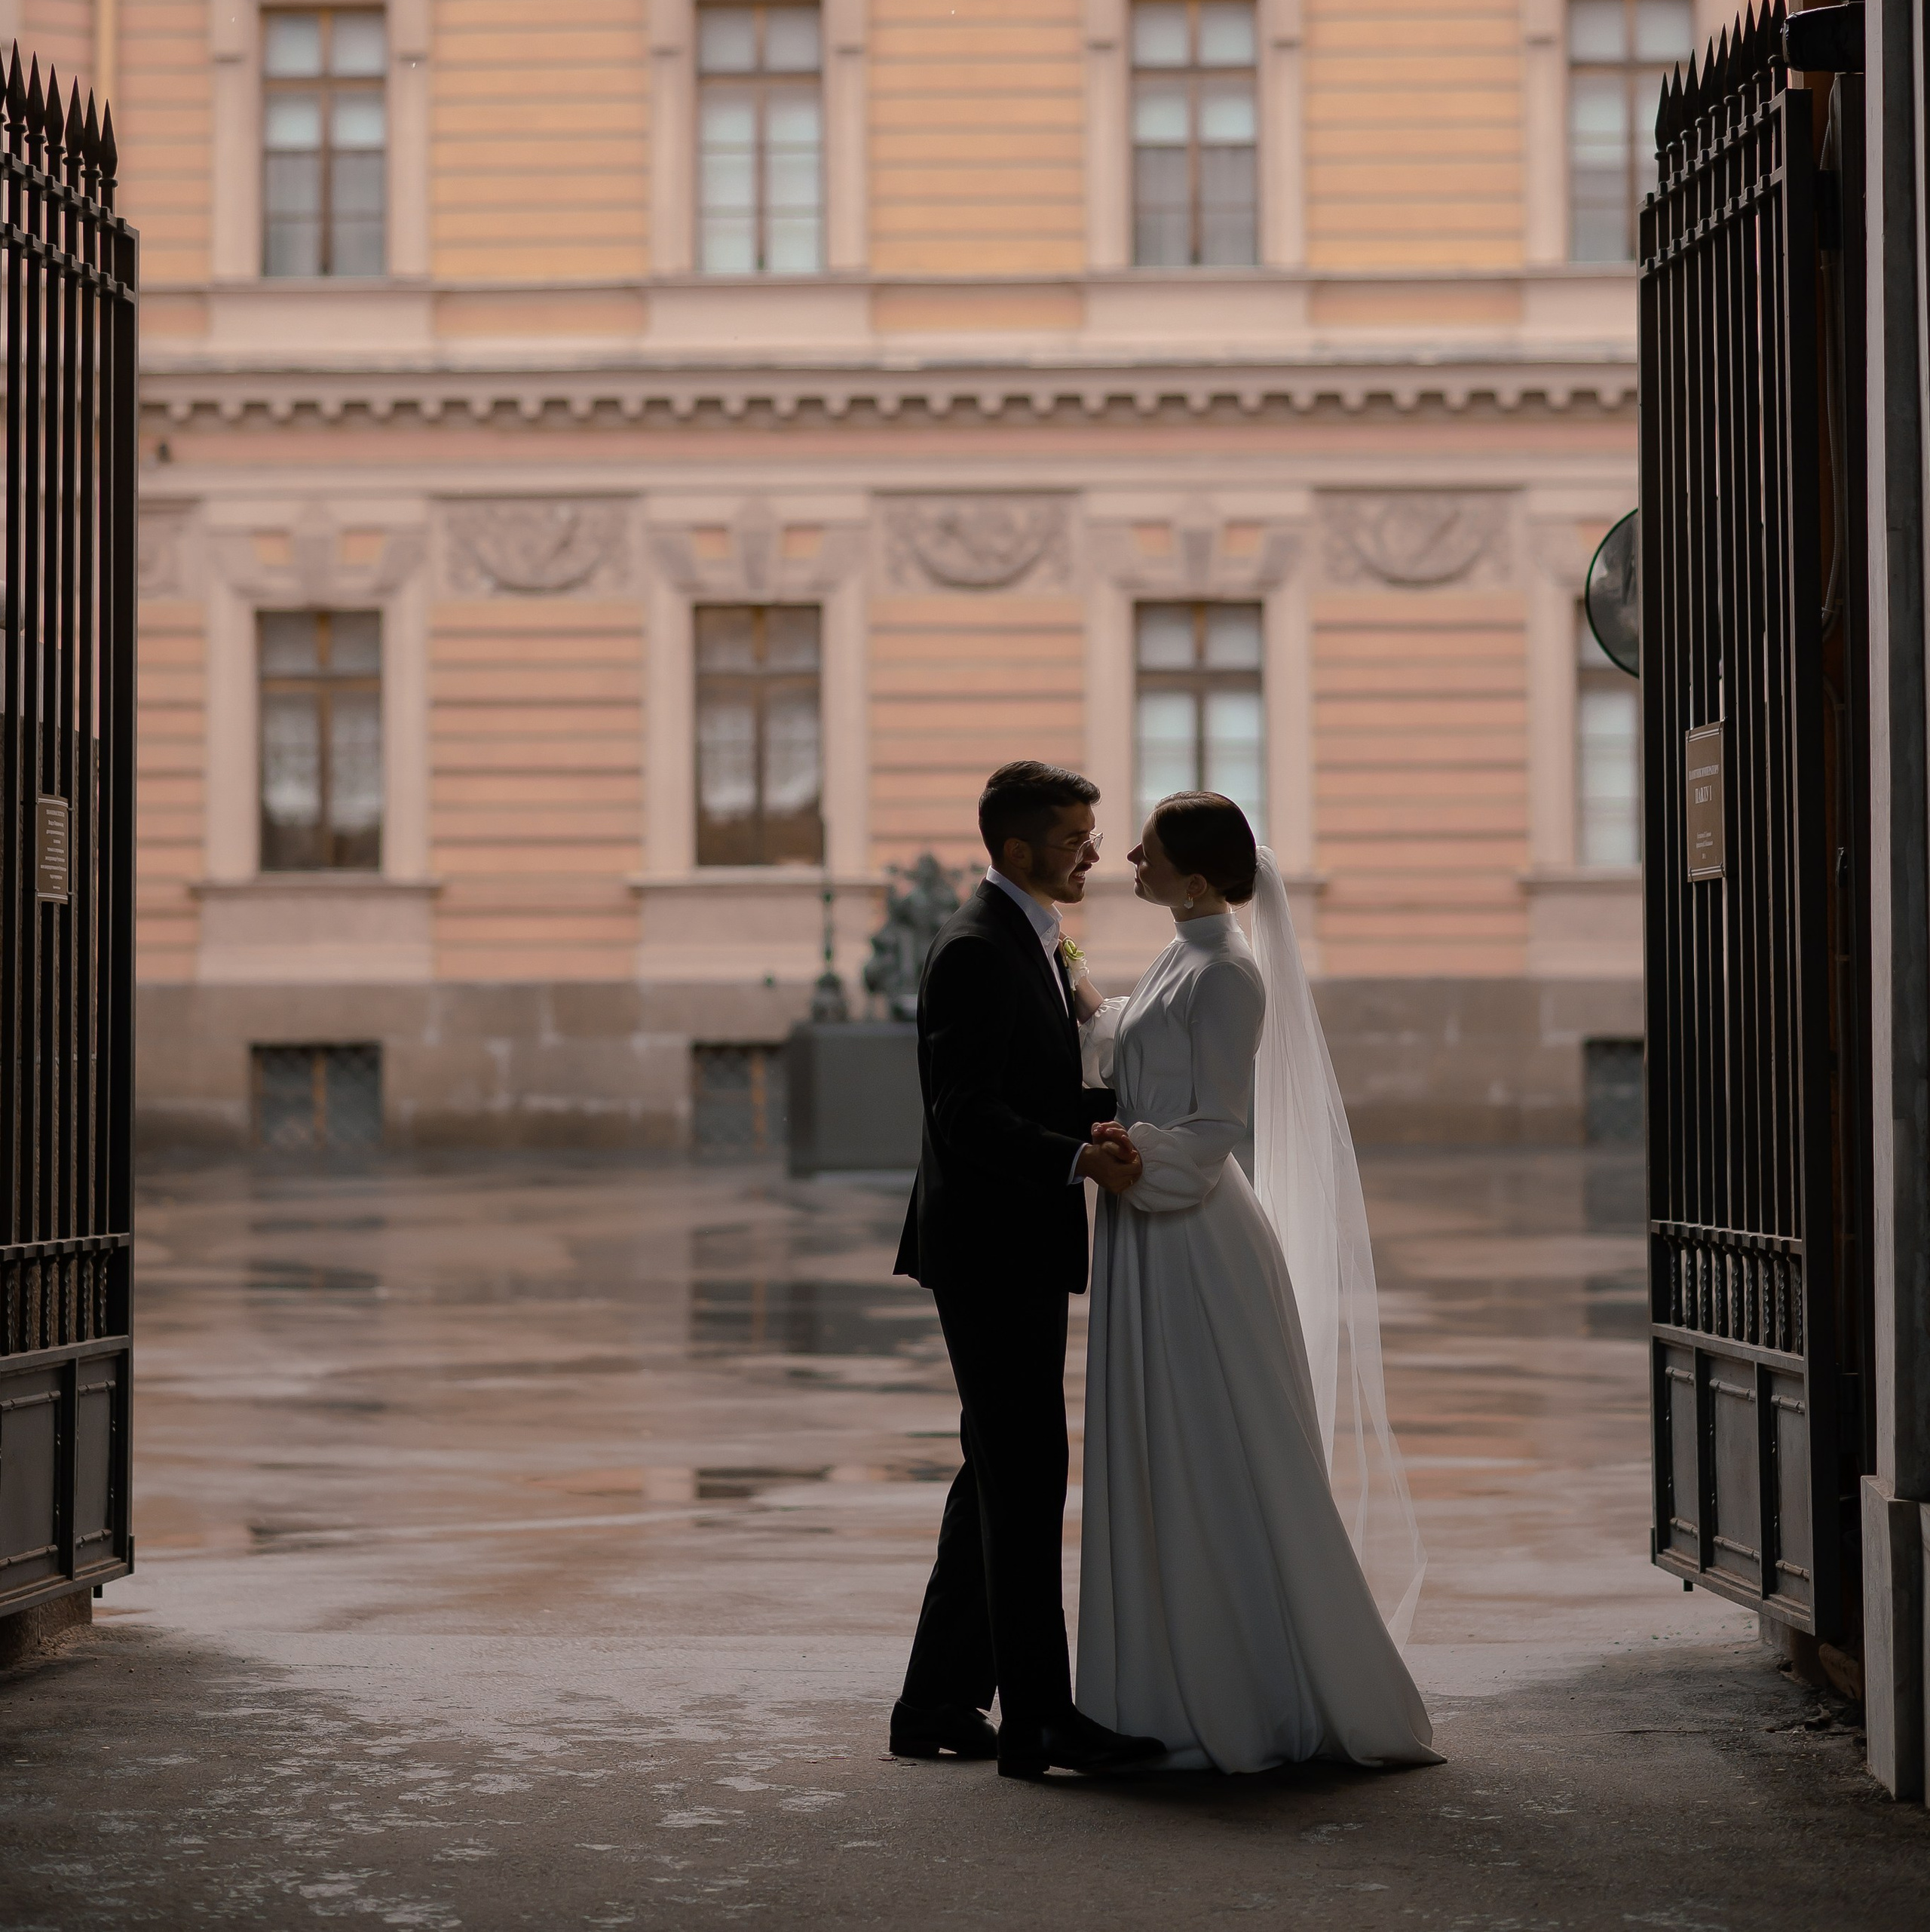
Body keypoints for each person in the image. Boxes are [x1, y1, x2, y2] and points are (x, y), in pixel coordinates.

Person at [1071, 792, 1441, 1773]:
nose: (1130, 858)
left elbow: (1214, 1125)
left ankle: (1248, 1689)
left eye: (1149, 849)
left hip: (1193, 1235)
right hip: (1153, 1225)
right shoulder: (1184, 949)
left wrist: (1130, 1153)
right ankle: (1173, 1681)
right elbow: (1127, 1038)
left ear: (1197, 877)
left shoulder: (1228, 970)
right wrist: (1074, 986)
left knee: (1217, 1451)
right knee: (1171, 1447)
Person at [891, 761, 1167, 1780]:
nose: (1093, 851)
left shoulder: (1028, 937)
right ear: (1016, 849)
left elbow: (1025, 1079)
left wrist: (1089, 1117)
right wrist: (1071, 1154)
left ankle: (934, 1700)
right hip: (989, 1248)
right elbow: (961, 1111)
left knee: (997, 1472)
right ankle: (1040, 1719)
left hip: (1008, 1240)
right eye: (1074, 837)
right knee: (1025, 1473)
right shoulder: (974, 948)